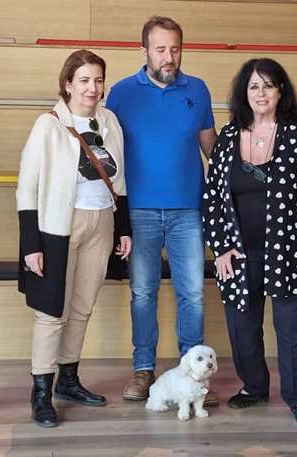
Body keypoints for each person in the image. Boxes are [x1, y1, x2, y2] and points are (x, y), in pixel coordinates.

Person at [203, 58, 297, 426]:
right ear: (244, 93)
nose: (261, 93)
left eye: (268, 85)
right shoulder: (228, 137)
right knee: (242, 328)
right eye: (254, 86)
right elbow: (213, 197)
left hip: (291, 251)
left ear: (280, 91)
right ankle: (254, 387)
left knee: (293, 329)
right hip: (238, 252)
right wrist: (219, 246)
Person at [105, 16, 218, 403]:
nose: (169, 57)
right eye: (160, 49)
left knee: (193, 295)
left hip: (189, 211)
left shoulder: (197, 90)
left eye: (175, 49)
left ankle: (195, 376)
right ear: (144, 52)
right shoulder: (121, 93)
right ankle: (143, 370)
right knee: (142, 294)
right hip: (140, 212)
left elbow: (213, 150)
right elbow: (109, 153)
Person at [16, 49, 131, 428]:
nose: (92, 88)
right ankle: (41, 392)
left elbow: (120, 181)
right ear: (67, 84)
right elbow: (27, 188)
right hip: (59, 228)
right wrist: (31, 245)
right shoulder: (48, 125)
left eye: (98, 80)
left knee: (82, 307)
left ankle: (68, 380)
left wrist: (123, 228)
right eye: (84, 80)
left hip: (102, 223)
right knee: (52, 310)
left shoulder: (109, 121)